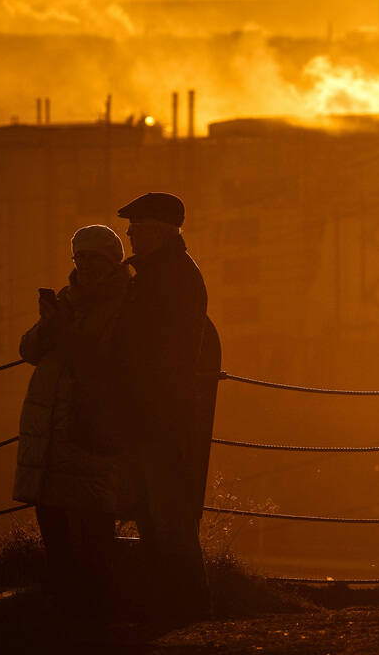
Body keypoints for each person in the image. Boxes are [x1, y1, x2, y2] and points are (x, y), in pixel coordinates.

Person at [13, 225, 128, 620]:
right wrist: (50, 323)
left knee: (94, 524)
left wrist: (64, 330)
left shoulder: (124, 302)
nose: (85, 266)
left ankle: (95, 610)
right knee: (53, 520)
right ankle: (65, 604)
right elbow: (28, 348)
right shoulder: (69, 298)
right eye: (79, 258)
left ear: (112, 261)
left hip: (87, 425)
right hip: (50, 429)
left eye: (93, 258)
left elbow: (105, 361)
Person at [111, 191, 211, 623]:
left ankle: (186, 604)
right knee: (157, 514)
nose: (129, 233)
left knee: (167, 515)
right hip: (155, 411)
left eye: (137, 226)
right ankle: (174, 601)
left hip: (158, 413)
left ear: (160, 230)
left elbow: (154, 350)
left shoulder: (167, 278)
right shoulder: (166, 273)